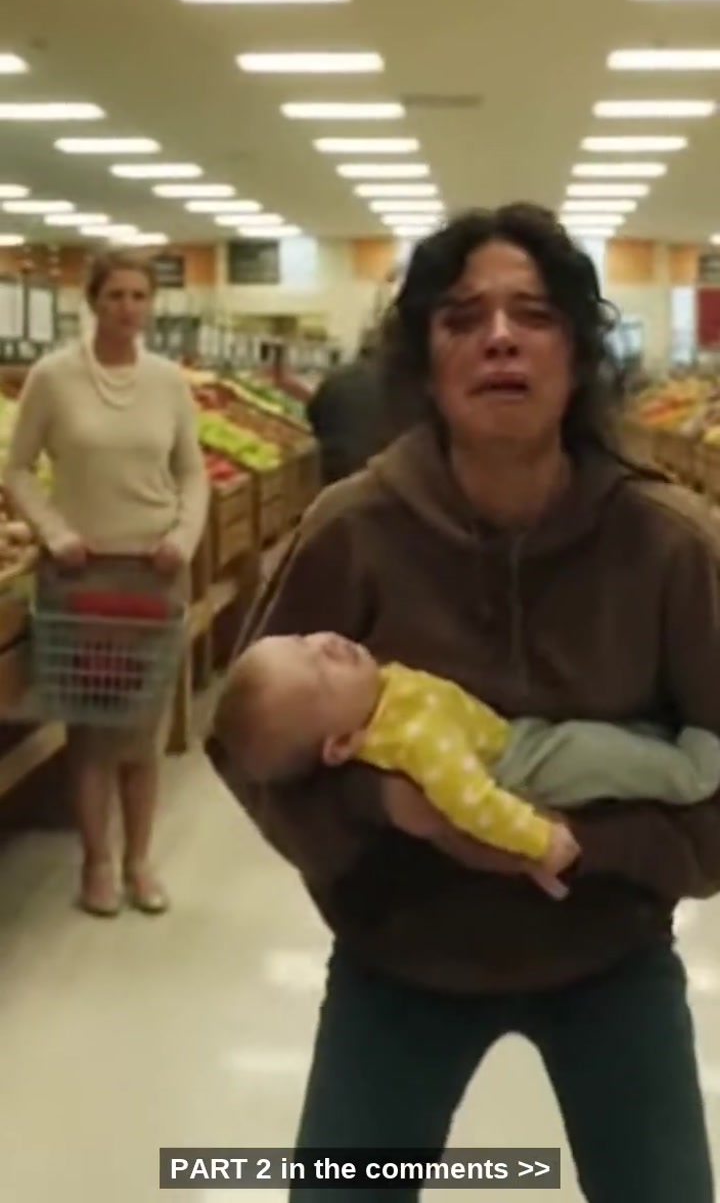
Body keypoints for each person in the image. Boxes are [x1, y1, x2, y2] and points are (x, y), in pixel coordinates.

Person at [209, 205, 720, 1202]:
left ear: (577, 352)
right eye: (462, 317)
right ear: (426, 359)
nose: (498, 337)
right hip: (402, 956)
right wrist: (387, 812)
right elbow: (243, 745)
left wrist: (588, 847)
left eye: (534, 314)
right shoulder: (352, 530)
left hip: (609, 951)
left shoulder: (668, 543)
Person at [5, 249, 209, 917]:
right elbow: (19, 468)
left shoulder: (167, 382)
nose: (128, 307)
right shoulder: (53, 377)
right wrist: (53, 530)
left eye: (139, 296)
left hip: (153, 574)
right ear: (91, 301)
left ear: (152, 304)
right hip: (80, 574)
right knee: (91, 728)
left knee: (143, 732)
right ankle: (96, 863)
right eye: (116, 294)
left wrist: (182, 539)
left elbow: (191, 472)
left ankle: (139, 861)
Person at [212, 632, 720, 899]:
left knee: (609, 747)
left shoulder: (381, 693)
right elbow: (473, 803)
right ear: (342, 745)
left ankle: (663, 746)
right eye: (319, 676)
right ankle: (695, 770)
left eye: (304, 640)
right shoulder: (416, 742)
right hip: (518, 768)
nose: (324, 647)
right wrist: (542, 840)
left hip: (512, 737)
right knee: (604, 758)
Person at [306, 328, 386, 484]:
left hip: (337, 466)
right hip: (378, 469)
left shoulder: (335, 378)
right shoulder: (399, 383)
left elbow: (313, 416)